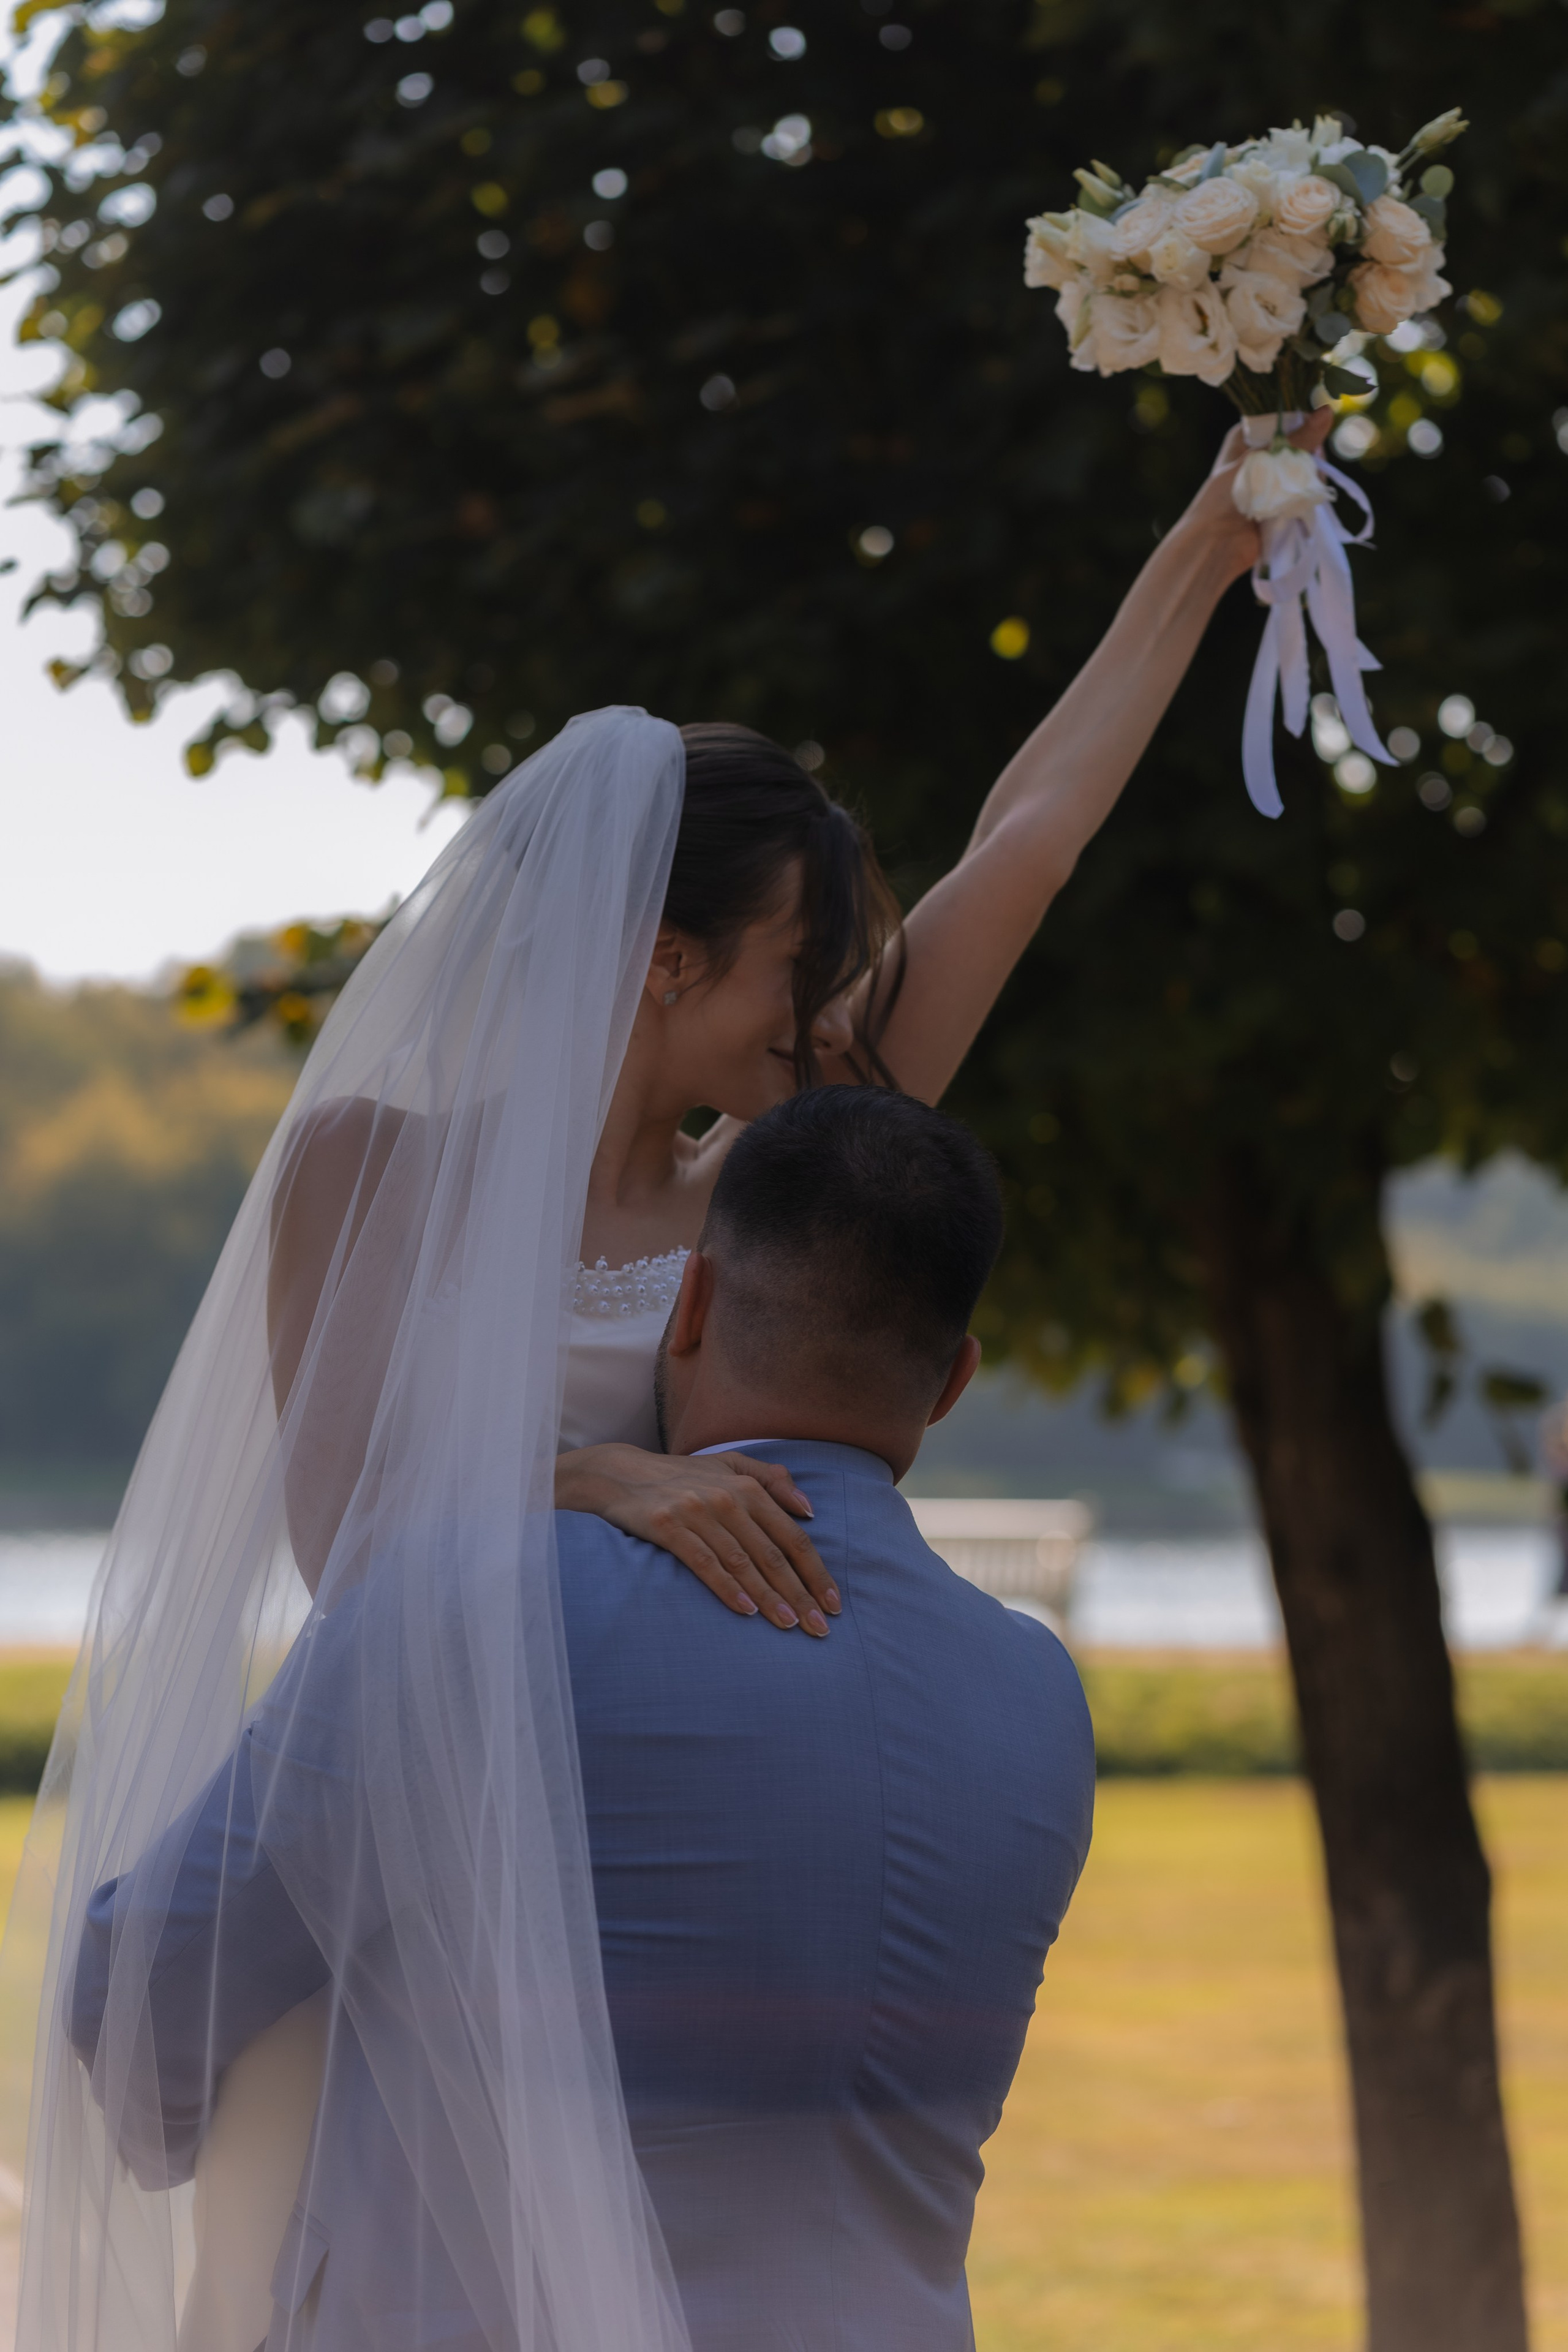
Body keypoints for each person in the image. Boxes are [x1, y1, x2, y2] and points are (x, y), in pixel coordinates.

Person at [9, 414, 1325, 2352]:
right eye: (788, 979)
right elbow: (354, 1536)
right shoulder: (374, 1166)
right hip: (434, 1848)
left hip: (647, 1845)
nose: (819, 1025)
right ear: (658, 961)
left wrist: (1211, 547)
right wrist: (608, 1481)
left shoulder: (774, 1172)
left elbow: (1028, 846)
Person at [68, 1087, 1096, 2350]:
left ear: (695, 1303)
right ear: (953, 1383)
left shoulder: (475, 1603)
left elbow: (146, 1988)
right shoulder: (1039, 1695)